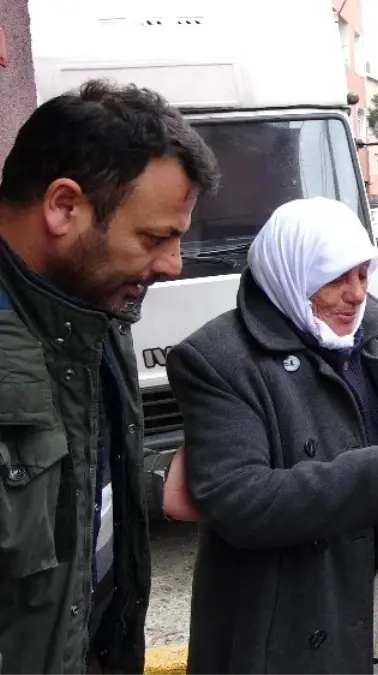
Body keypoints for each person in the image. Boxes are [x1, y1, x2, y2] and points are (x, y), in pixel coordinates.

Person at [166, 197, 378, 675]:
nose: (357, 294)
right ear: (291, 272)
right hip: (300, 624)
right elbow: (237, 499)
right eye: (336, 278)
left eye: (363, 274)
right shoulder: (218, 360)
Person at [0, 80, 219, 675]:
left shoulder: (95, 317)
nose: (173, 264)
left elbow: (53, 481)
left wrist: (152, 480)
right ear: (64, 206)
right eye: (156, 237)